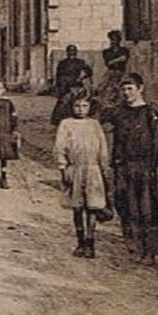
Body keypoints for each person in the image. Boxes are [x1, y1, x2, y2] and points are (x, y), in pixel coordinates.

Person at [100, 73, 158, 264]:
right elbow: (97, 118)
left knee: (146, 209)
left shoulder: (149, 113)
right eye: (123, 89)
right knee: (125, 205)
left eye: (130, 88)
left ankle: (151, 250)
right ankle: (135, 244)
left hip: (144, 167)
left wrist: (151, 164)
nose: (126, 93)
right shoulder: (118, 112)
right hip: (123, 166)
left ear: (140, 89)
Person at [55, 92, 112, 258]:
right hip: (75, 168)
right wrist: (63, 167)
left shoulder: (94, 125)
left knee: (92, 207)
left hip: (93, 169)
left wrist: (104, 168)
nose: (81, 109)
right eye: (77, 106)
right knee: (77, 207)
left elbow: (103, 148)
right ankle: (80, 242)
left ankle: (90, 242)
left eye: (84, 106)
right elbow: (60, 147)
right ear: (72, 107)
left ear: (90, 107)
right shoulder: (66, 124)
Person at [51, 44, 94, 125]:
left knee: (77, 102)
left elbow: (89, 72)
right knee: (63, 103)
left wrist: (82, 77)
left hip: (76, 86)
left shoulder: (80, 62)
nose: (71, 52)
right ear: (67, 52)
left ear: (76, 52)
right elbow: (58, 75)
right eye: (70, 51)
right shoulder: (63, 63)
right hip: (65, 86)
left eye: (73, 50)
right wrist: (59, 86)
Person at [98, 30, 131, 115]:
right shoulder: (106, 51)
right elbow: (108, 63)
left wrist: (117, 60)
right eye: (112, 39)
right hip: (111, 73)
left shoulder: (124, 50)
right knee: (105, 89)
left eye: (116, 39)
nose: (114, 41)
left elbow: (125, 59)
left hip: (121, 72)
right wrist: (119, 59)